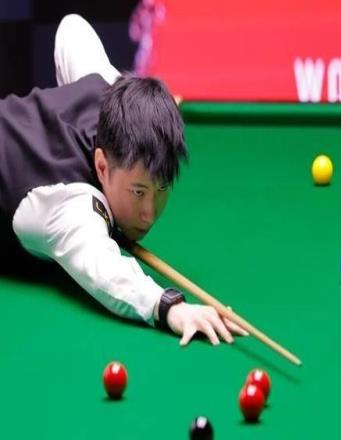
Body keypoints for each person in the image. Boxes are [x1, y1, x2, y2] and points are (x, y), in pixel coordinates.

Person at [2, 14, 247, 346]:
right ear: (102, 167)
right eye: (138, 192)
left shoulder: (110, 91)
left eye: (162, 189)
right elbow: (104, 271)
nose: (149, 214)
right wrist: (170, 308)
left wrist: (155, 112)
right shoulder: (66, 205)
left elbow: (72, 28)